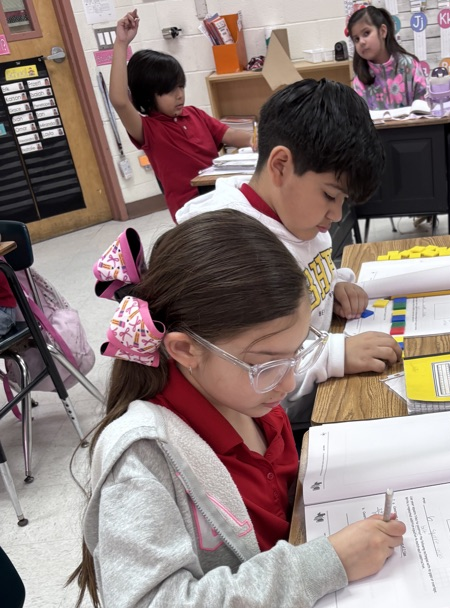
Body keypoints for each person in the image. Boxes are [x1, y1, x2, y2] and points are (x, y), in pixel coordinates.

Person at [72, 211, 406, 608]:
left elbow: (271, 465)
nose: (286, 381)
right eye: (266, 362)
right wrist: (322, 561)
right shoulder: (142, 457)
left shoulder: (245, 393)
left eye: (296, 353)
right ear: (184, 349)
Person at [176, 79, 401, 430]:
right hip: (280, 420)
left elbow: (310, 269)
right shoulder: (237, 246)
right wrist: (338, 355)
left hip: (317, 390)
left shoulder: (298, 220)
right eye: (330, 195)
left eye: (343, 201)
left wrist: (333, 286)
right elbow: (253, 368)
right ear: (280, 165)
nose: (337, 215)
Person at [109, 8, 254, 220]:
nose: (179, 95)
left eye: (181, 87)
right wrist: (121, 44)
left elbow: (229, 135)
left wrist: (257, 139)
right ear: (148, 95)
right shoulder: (149, 130)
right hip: (192, 210)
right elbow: (120, 101)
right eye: (169, 90)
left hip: (221, 194)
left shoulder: (194, 114)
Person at [348, 5, 429, 111]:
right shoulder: (360, 80)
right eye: (356, 39)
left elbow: (424, 107)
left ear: (382, 31)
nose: (361, 42)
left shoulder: (410, 65)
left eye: (366, 33)